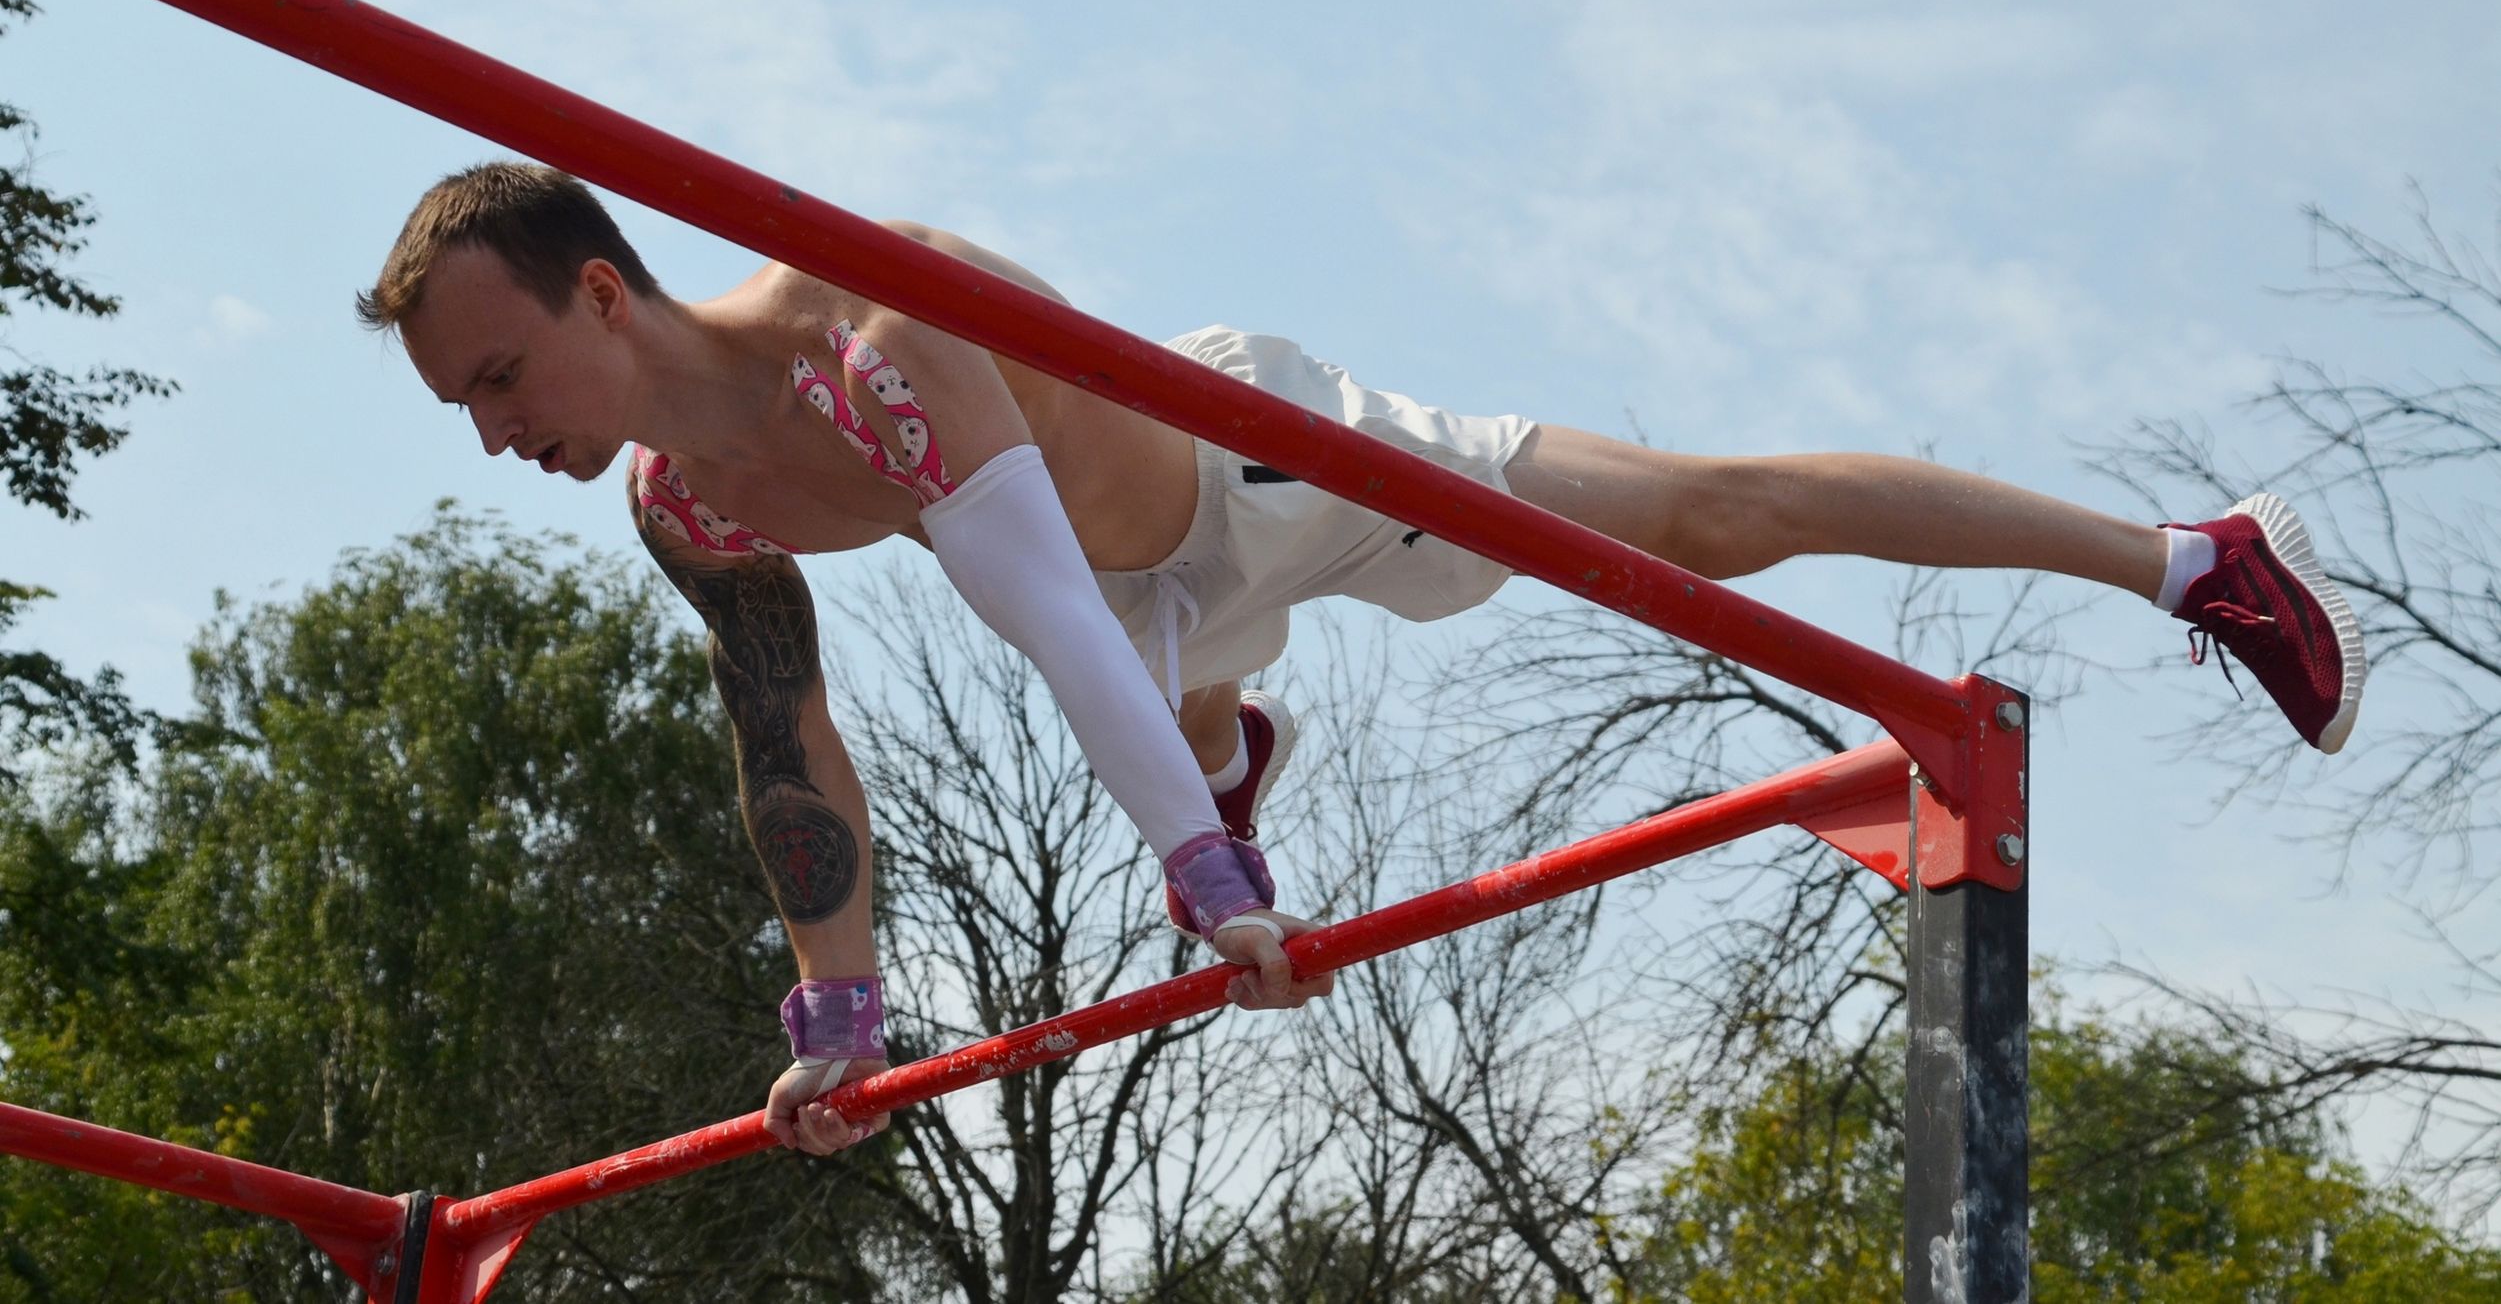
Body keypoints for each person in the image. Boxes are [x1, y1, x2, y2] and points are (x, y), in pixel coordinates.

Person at [358, 161, 2366, 1157]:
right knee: (1156, 679)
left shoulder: (868, 330)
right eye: (464, 401)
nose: (493, 429)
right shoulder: (681, 505)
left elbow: (1039, 611)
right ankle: (1212, 746)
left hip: (1262, 474)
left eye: (503, 372)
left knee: (1709, 522)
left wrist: (1208, 873)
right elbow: (789, 755)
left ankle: (2195, 558)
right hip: (1145, 617)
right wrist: (838, 1017)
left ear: (603, 288)